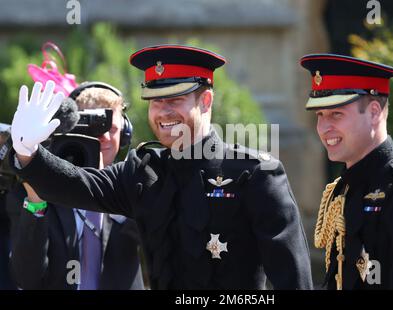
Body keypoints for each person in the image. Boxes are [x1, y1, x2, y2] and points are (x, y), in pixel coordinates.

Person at [9, 45, 313, 289]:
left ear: (205, 101)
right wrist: (27, 153)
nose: (163, 112)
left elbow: (293, 279)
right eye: (155, 101)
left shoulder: (254, 174)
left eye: (176, 99)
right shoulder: (143, 172)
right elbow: (78, 185)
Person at [300, 53, 393, 289]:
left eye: (336, 114)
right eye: (320, 115)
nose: (324, 128)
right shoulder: (343, 189)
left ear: (373, 113)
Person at [6, 82, 144, 290]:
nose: (104, 137)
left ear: (125, 134)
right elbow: (27, 279)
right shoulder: (36, 188)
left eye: (112, 128)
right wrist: (36, 202)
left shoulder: (136, 183)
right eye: (94, 127)